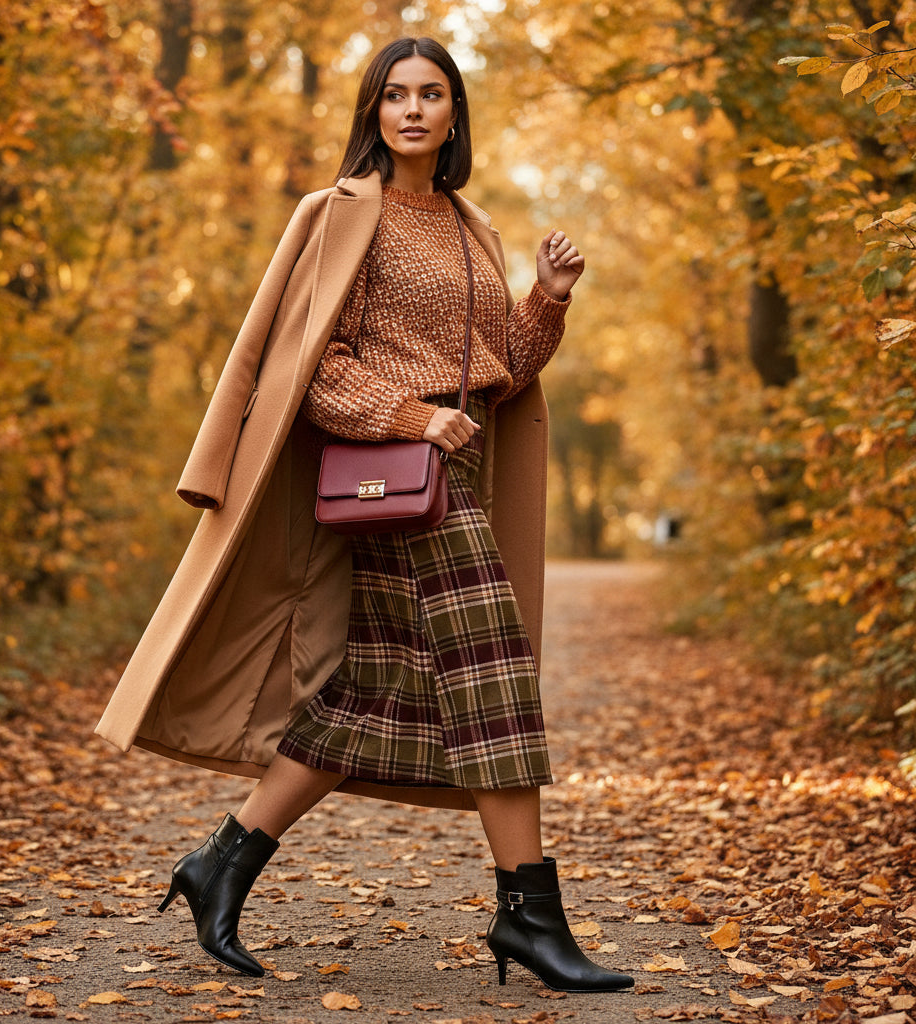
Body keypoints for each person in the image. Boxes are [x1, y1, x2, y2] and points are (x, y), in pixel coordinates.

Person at [96, 36, 634, 995]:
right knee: (497, 671)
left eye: (432, 94)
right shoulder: (341, 214)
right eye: (396, 95)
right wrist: (415, 417)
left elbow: (499, 368)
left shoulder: (471, 226)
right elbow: (315, 372)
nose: (414, 109)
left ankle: (222, 862)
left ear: (454, 112)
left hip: (448, 476)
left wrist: (547, 303)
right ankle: (530, 914)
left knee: (369, 701)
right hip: (389, 473)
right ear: (373, 112)